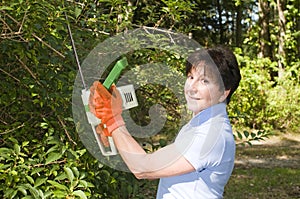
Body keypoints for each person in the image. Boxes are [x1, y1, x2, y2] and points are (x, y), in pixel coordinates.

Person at [89, 46, 241, 198]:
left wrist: (112, 119)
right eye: (191, 77)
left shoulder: (210, 135)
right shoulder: (200, 125)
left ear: (223, 93)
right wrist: (111, 128)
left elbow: (142, 167)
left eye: (204, 81)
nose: (191, 88)